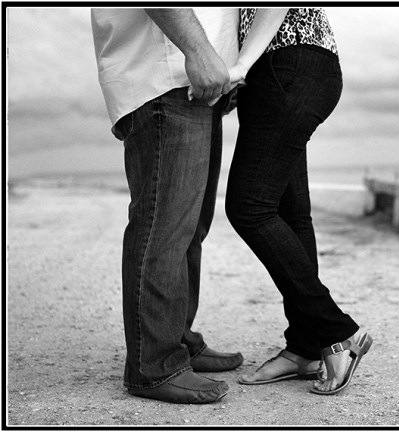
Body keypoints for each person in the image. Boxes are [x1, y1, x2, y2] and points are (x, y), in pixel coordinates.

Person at [91, 8, 244, 404]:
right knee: (165, 228)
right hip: (166, 74)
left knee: (190, 229)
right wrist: (198, 50)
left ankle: (177, 340)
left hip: (192, 77)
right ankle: (154, 364)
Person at [224, 8, 373, 395]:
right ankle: (305, 349)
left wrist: (240, 65)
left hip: (287, 63)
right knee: (290, 214)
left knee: (249, 207)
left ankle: (337, 333)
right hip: (287, 66)